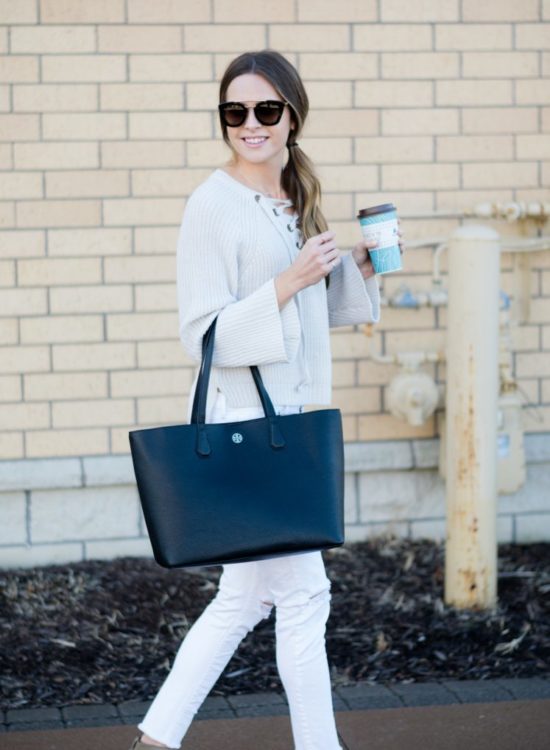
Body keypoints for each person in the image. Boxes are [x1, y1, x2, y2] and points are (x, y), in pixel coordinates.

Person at [130, 49, 399, 750]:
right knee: (305, 595)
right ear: (224, 120)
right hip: (252, 427)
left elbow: (309, 316)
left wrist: (352, 269)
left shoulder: (293, 197)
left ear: (292, 116)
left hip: (289, 420)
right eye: (236, 111)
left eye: (266, 110)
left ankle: (155, 739)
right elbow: (204, 333)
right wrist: (288, 281)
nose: (251, 124)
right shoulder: (211, 205)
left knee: (242, 600)